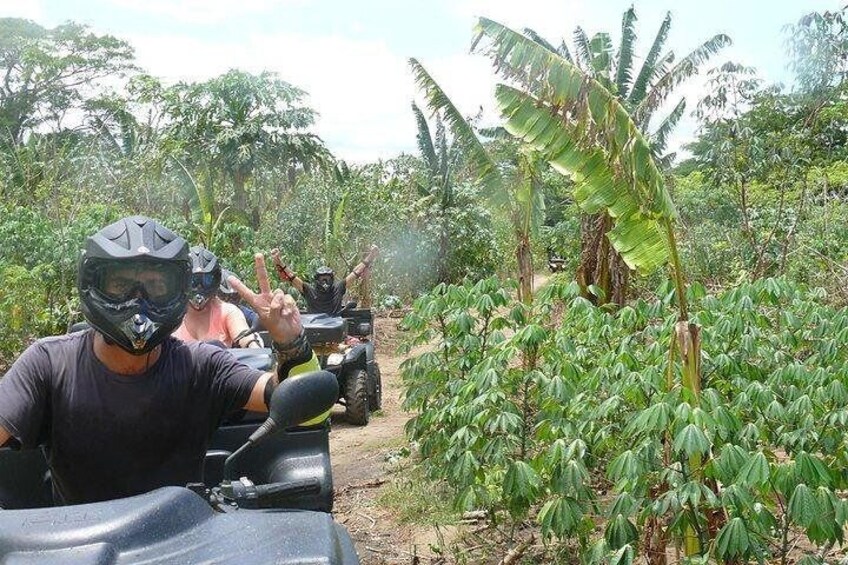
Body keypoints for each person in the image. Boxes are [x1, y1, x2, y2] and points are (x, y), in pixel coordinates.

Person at [0, 216, 320, 505]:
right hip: (83, 547)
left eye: (156, 285)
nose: (138, 300)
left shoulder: (201, 365)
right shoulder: (49, 364)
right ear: (93, 283)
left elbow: (304, 408)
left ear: (177, 289)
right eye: (120, 284)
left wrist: (292, 343)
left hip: (182, 544)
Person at [173, 246, 262, 348]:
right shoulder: (171, 315)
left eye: (207, 280)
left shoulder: (227, 311)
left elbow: (244, 336)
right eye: (192, 280)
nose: (199, 287)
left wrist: (254, 347)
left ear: (216, 281)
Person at [272, 245, 379, 315]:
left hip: (335, 330)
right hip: (313, 328)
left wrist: (371, 256)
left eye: (327, 278)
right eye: (322, 278)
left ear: (332, 279)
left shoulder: (338, 287)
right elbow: (291, 276)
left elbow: (355, 273)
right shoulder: (309, 290)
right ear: (317, 279)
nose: (325, 282)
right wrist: (279, 261)